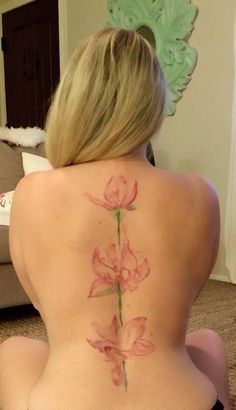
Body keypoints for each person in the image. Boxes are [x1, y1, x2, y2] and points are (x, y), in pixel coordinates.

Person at [0, 28, 231, 410]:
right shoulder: (201, 193)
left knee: (13, 349)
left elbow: (43, 304)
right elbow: (191, 287)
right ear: (152, 104)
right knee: (208, 342)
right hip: (189, 403)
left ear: (72, 102)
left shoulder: (33, 192)